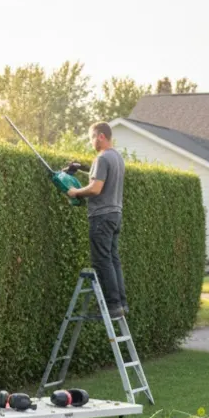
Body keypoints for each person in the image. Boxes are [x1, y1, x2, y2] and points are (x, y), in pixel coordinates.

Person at [66, 122, 127, 317]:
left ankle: (112, 306)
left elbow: (95, 188)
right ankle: (121, 304)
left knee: (102, 261)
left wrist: (75, 192)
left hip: (101, 215)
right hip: (115, 215)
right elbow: (101, 178)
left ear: (100, 136)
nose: (91, 142)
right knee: (113, 259)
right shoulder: (117, 158)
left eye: (92, 137)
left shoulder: (102, 158)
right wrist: (83, 168)